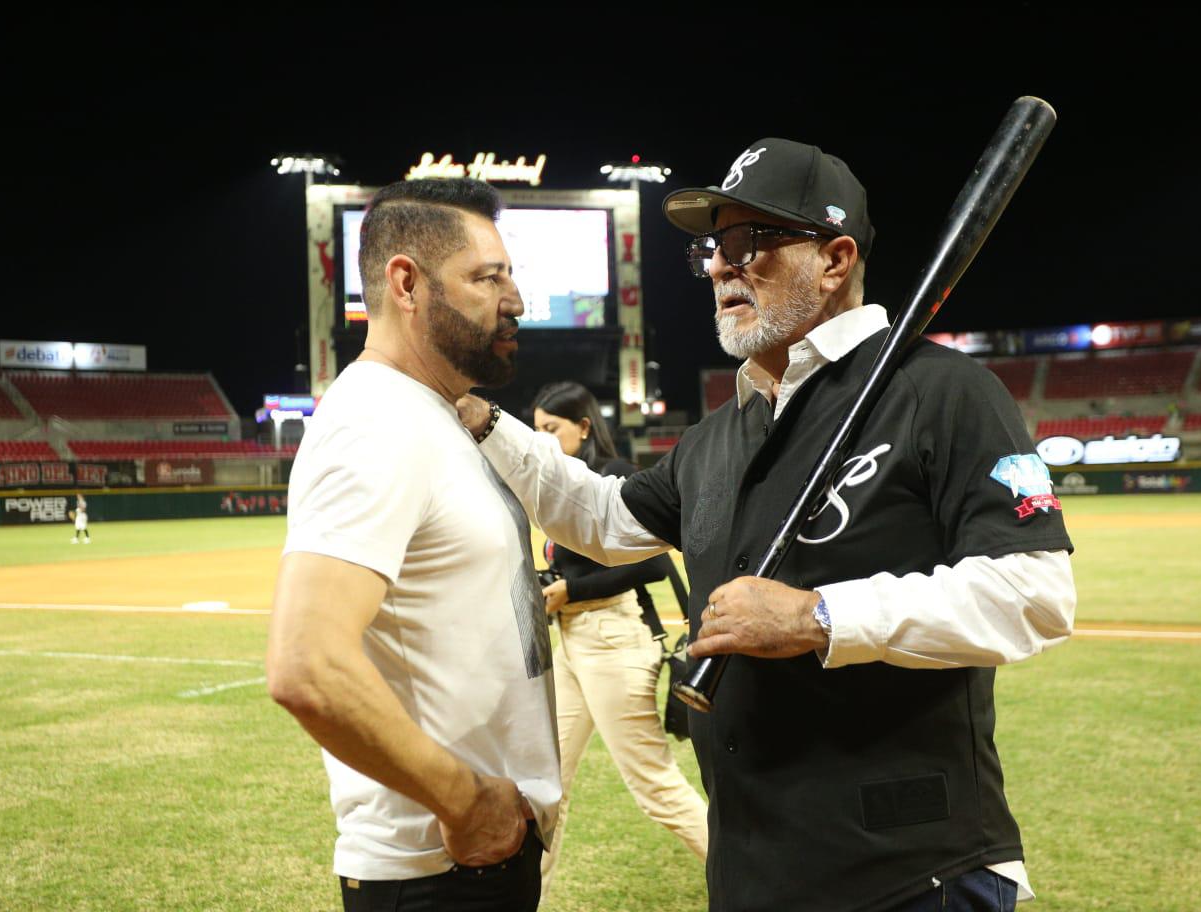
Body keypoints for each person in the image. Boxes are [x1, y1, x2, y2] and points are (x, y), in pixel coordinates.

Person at [459, 139, 1076, 912]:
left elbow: (1036, 594)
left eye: (750, 242)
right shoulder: (722, 433)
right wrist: (482, 418)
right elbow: (605, 519)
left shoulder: (945, 393)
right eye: (713, 248)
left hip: (910, 875)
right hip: (756, 872)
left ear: (835, 257)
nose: (720, 266)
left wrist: (820, 617)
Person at [267, 178, 559, 912]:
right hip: (437, 873)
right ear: (406, 282)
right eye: (487, 277)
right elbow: (308, 665)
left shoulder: (436, 415)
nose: (515, 300)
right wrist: (466, 802)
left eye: (510, 275)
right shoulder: (375, 423)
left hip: (475, 861)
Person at [529, 380, 708, 898]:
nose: (542, 440)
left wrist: (571, 587)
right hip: (574, 640)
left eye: (551, 429)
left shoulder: (611, 477)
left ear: (584, 426)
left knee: (655, 788)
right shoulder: (561, 484)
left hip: (614, 637)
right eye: (536, 430)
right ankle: (527, 898)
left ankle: (755, 884)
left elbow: (652, 562)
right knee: (546, 787)